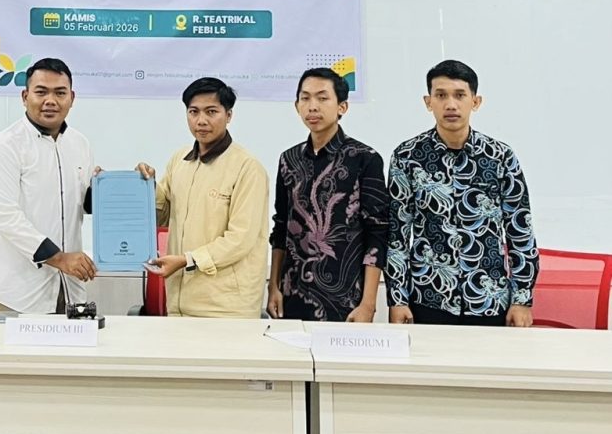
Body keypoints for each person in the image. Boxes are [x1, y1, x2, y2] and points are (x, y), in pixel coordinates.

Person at [385, 59, 539, 327]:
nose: (451, 104)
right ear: (428, 102)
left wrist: (522, 300)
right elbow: (397, 234)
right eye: (441, 95)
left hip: (489, 299)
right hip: (428, 297)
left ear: (475, 102)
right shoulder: (407, 157)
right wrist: (397, 299)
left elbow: (520, 231)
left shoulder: (500, 157)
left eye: (459, 95)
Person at [140, 77, 269, 318]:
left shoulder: (247, 167)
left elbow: (240, 239)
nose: (201, 121)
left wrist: (187, 260)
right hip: (178, 303)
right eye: (194, 112)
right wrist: (146, 185)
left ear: (228, 115)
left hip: (226, 308)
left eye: (211, 112)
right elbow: (163, 215)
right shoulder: (180, 160)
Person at [267, 68, 389, 323]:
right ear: (296, 106)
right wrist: (273, 287)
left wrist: (368, 304)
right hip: (292, 296)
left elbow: (377, 233)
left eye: (322, 98)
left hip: (346, 299)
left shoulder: (365, 158)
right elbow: (281, 227)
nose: (313, 106)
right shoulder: (288, 159)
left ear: (342, 106)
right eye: (305, 98)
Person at [0, 58, 96, 314]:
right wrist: (59, 258)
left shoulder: (80, 144)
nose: (50, 101)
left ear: (72, 98)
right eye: (41, 92)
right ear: (25, 96)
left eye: (60, 93)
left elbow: (81, 203)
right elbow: (5, 216)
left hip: (68, 290)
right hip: (14, 294)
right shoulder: (4, 147)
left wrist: (113, 188)